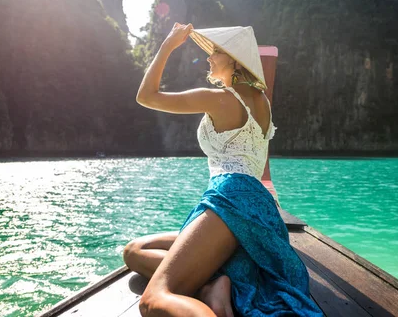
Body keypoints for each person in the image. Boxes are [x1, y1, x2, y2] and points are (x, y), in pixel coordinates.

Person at [123, 23, 323, 317]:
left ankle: (211, 290)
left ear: (234, 59)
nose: (209, 57)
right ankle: (214, 284)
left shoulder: (220, 98)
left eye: (216, 51)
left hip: (230, 201)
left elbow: (147, 96)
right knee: (134, 251)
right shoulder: (262, 102)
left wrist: (167, 45)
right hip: (259, 209)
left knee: (154, 299)